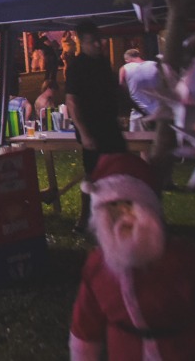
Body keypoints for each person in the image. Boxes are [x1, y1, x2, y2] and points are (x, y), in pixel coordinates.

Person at [69, 153, 195, 361]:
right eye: (113, 206)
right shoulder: (97, 267)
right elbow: (85, 326)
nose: (123, 214)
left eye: (129, 203)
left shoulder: (185, 261)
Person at [65, 21, 129, 233]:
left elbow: (114, 89)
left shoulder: (102, 62)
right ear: (82, 42)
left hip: (110, 125)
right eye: (93, 42)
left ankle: (117, 214)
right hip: (93, 129)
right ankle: (85, 218)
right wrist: (84, 133)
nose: (98, 45)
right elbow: (72, 102)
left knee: (118, 170)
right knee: (93, 174)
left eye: (99, 40)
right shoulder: (77, 67)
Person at [119, 49, 161, 133]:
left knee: (137, 140)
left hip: (138, 114)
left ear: (127, 60)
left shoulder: (124, 69)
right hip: (157, 112)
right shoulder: (155, 65)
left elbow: (122, 88)